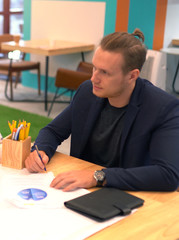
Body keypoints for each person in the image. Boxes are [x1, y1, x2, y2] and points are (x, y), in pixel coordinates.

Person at [25, 29, 179, 192]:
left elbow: (168, 175)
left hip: (129, 195)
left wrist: (97, 176)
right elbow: (53, 131)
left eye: (105, 72)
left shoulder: (163, 108)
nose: (94, 78)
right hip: (83, 190)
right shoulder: (87, 91)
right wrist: (40, 150)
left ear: (132, 76)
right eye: (94, 68)